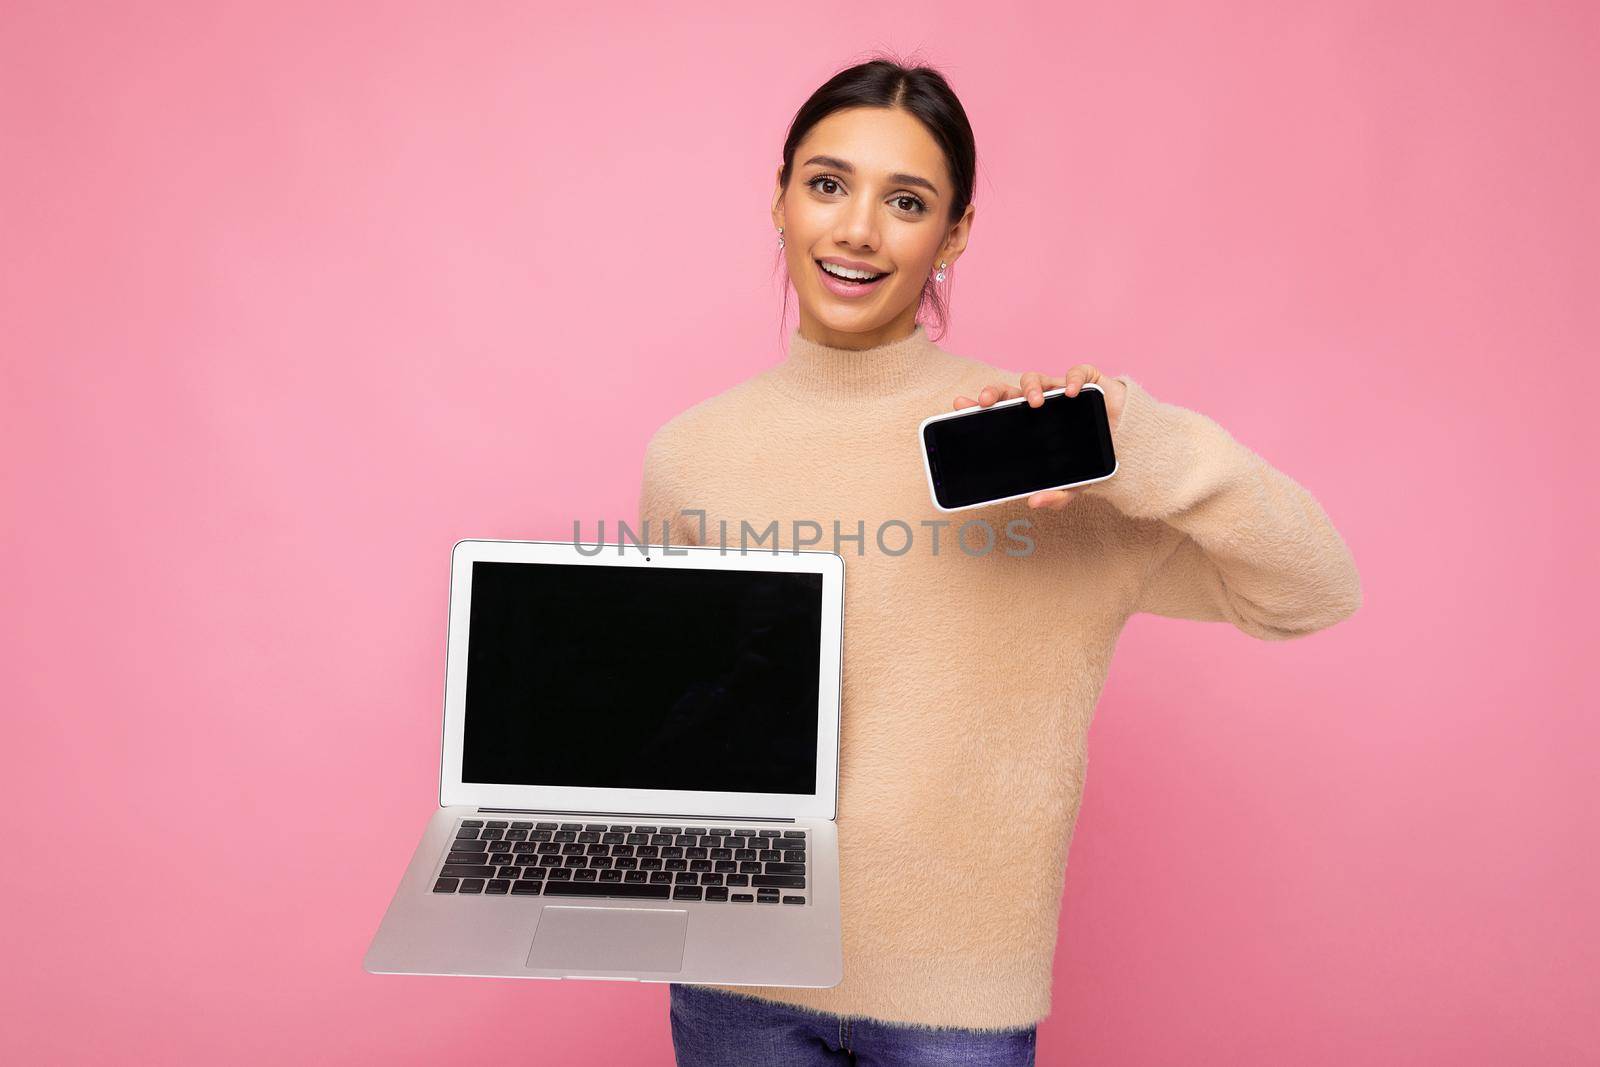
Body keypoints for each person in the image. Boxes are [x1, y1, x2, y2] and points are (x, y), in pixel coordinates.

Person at [638, 55, 1362, 1067]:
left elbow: (1312, 590)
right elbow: (674, 727)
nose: (856, 229)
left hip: (957, 1001)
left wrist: (1145, 445)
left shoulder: (1036, 454)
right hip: (733, 979)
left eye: (905, 200)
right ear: (780, 199)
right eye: (827, 183)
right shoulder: (690, 456)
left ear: (956, 232)